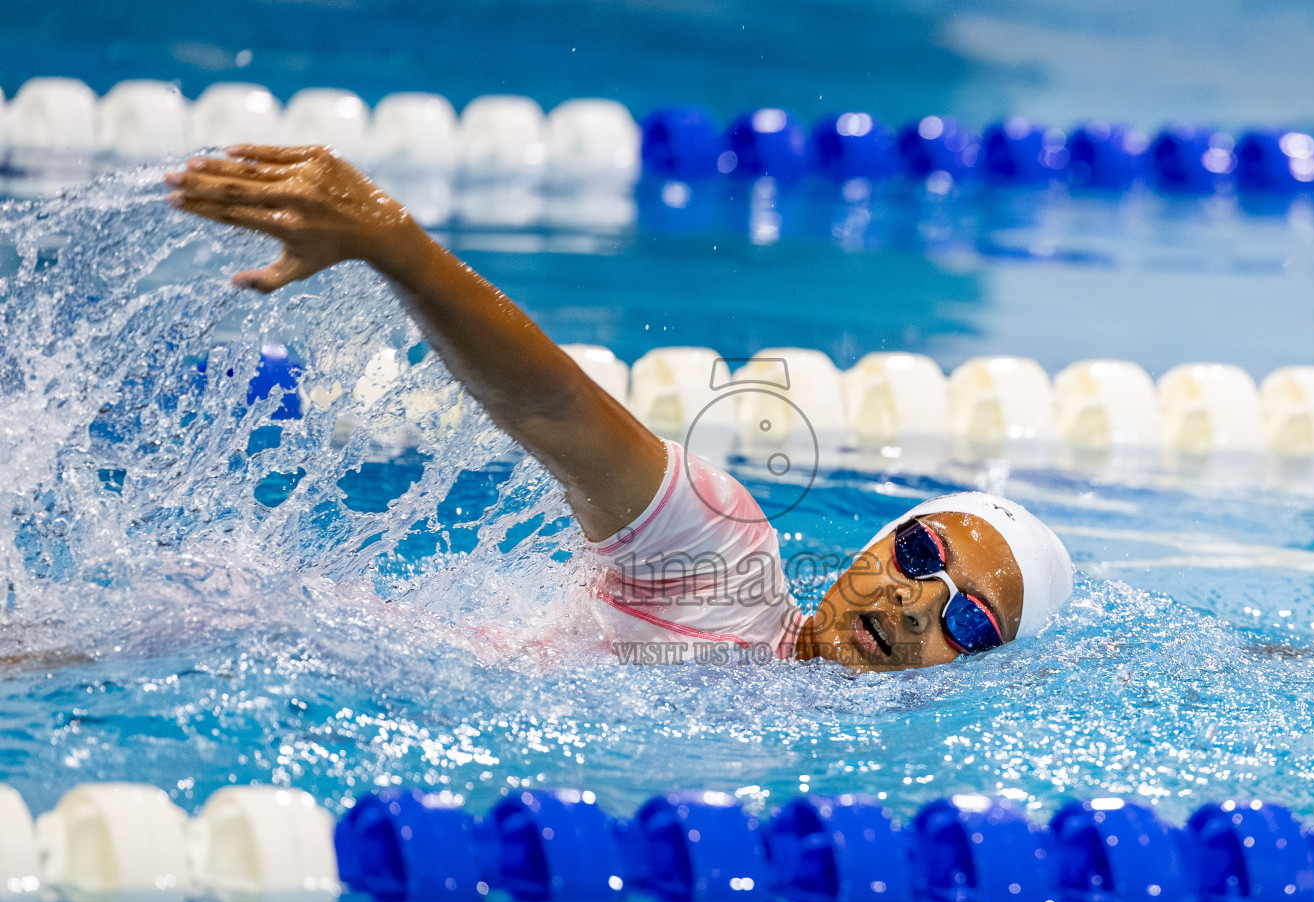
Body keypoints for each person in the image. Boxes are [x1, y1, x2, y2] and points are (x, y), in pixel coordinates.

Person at [165, 146, 1073, 672]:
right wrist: (391, 242)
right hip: (226, 640)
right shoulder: (722, 559)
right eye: (922, 555)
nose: (918, 606)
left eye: (969, 623)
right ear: (874, 546)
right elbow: (554, 405)